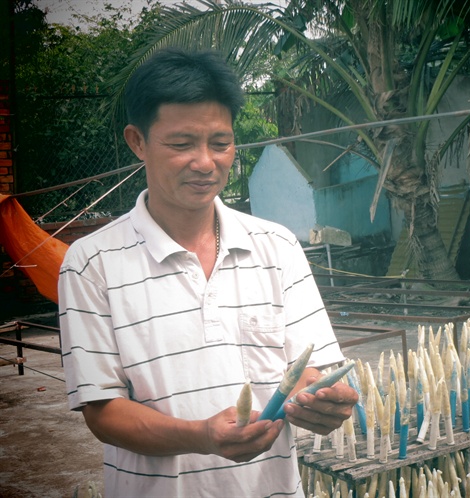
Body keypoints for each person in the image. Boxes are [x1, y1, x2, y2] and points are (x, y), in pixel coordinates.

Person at [58, 47, 358, 498]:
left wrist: (321, 401)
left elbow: (310, 369)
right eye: (181, 144)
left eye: (220, 143)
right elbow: (102, 411)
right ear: (137, 141)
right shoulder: (90, 263)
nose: (205, 162)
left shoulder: (277, 246)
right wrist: (201, 436)